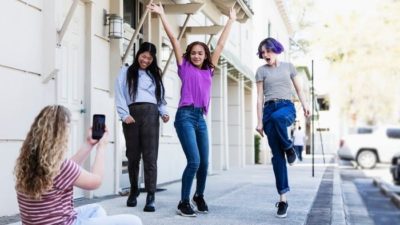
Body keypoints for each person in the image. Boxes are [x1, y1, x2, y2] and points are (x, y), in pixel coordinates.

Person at [147, 2, 236, 217]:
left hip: (200, 118)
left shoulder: (209, 70)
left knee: (205, 163)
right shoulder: (183, 66)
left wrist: (231, 21)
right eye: (193, 53)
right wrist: (162, 14)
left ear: (206, 56)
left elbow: (221, 45)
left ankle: (199, 195)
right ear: (189, 55)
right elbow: (174, 40)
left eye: (200, 53)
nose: (197, 56)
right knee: (194, 160)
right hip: (185, 116)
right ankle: (183, 202)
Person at [14, 105, 142, 225]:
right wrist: (101, 147)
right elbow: (95, 181)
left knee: (96, 210)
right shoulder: (61, 166)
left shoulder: (25, 164)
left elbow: (67, 172)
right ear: (60, 135)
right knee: (134, 221)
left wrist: (89, 144)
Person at [255, 37, 310, 218]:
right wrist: (260, 121)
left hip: (286, 107)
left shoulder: (289, 67)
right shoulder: (261, 71)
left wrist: (306, 105)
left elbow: (300, 90)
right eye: (262, 52)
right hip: (268, 110)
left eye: (268, 51)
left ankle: (289, 147)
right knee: (277, 157)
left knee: (279, 119)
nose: (265, 55)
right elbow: (259, 98)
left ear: (276, 50)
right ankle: (283, 199)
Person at [115, 42, 169, 212]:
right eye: (143, 56)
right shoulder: (126, 71)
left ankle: (151, 195)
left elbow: (160, 97)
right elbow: (120, 93)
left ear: (153, 60)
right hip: (132, 115)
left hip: (151, 114)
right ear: (138, 54)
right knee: (132, 155)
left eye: (149, 58)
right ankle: (133, 190)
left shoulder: (155, 75)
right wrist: (124, 114)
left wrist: (163, 112)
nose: (145, 60)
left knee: (150, 156)